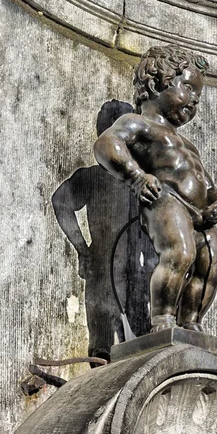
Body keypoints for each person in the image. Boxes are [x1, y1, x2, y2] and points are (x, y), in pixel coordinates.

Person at [94, 45, 217, 332]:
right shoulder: (139, 123)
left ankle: (191, 322)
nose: (194, 101)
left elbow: (208, 183)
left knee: (213, 264)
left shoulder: (188, 145)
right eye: (189, 89)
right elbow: (107, 144)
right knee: (180, 253)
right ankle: (163, 320)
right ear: (158, 83)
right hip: (165, 199)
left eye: (198, 96)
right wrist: (137, 177)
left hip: (200, 213)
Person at [52, 100, 155, 361]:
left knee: (140, 345)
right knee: (103, 348)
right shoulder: (94, 177)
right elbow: (60, 201)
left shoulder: (146, 181)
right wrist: (82, 249)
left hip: (138, 271)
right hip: (106, 267)